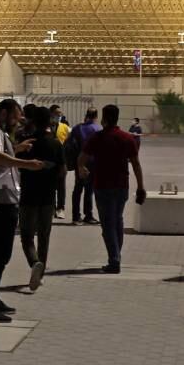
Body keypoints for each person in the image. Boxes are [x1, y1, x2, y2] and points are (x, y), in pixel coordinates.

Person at [0, 99, 47, 321]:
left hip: (3, 200)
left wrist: (16, 149)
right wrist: (26, 164)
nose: (18, 122)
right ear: (4, 113)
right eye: (16, 117)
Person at [79, 103, 146, 273]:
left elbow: (82, 158)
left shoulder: (97, 137)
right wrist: (141, 186)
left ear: (104, 119)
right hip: (121, 185)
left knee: (108, 224)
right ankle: (116, 255)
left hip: (102, 185)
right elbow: (136, 164)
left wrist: (82, 168)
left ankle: (114, 260)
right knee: (117, 221)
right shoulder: (127, 138)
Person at [17, 105, 64, 291]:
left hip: (28, 195)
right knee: (44, 237)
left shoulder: (26, 142)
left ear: (33, 121)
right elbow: (62, 171)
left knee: (27, 236)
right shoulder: (56, 144)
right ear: (50, 121)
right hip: (47, 197)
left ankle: (34, 262)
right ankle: (40, 272)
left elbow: (17, 164)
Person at [66, 108, 102, 224]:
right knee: (89, 190)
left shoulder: (77, 128)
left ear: (86, 115)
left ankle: (76, 216)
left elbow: (69, 144)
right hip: (93, 163)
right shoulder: (98, 129)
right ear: (96, 117)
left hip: (79, 162)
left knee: (78, 189)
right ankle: (88, 215)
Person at [51, 104, 69, 219]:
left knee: (61, 186)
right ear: (51, 114)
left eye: (60, 114)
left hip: (61, 160)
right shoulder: (46, 127)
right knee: (51, 186)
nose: (59, 115)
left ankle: (60, 208)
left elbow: (68, 143)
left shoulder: (65, 127)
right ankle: (52, 207)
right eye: (57, 113)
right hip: (49, 161)